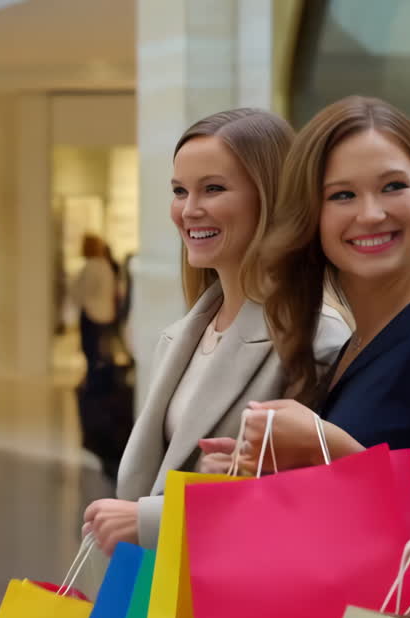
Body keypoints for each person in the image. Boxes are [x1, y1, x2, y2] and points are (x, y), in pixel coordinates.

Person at [222, 96, 410, 540]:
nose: (371, 214)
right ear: (313, 218)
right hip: (354, 609)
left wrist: (331, 449)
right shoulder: (354, 343)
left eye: (393, 186)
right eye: (342, 195)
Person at [83, 108, 351, 554]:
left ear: (271, 199)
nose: (189, 210)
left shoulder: (314, 337)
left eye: (213, 189)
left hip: (227, 605)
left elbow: (310, 503)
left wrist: (150, 521)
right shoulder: (186, 334)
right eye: (179, 191)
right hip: (155, 593)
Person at [72, 233, 119, 374]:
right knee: (102, 353)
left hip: (92, 314)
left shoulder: (91, 267)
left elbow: (83, 292)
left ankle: (94, 386)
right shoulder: (105, 265)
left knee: (92, 352)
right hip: (106, 314)